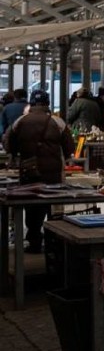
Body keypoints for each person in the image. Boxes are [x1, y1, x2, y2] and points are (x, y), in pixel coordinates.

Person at [3, 90, 74, 254]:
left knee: (32, 208)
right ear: (47, 103)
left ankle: (34, 242)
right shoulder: (57, 122)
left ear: (31, 103)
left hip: (29, 173)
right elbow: (70, 147)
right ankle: (53, 244)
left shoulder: (21, 121)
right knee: (52, 209)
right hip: (53, 174)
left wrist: (17, 154)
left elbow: (8, 144)